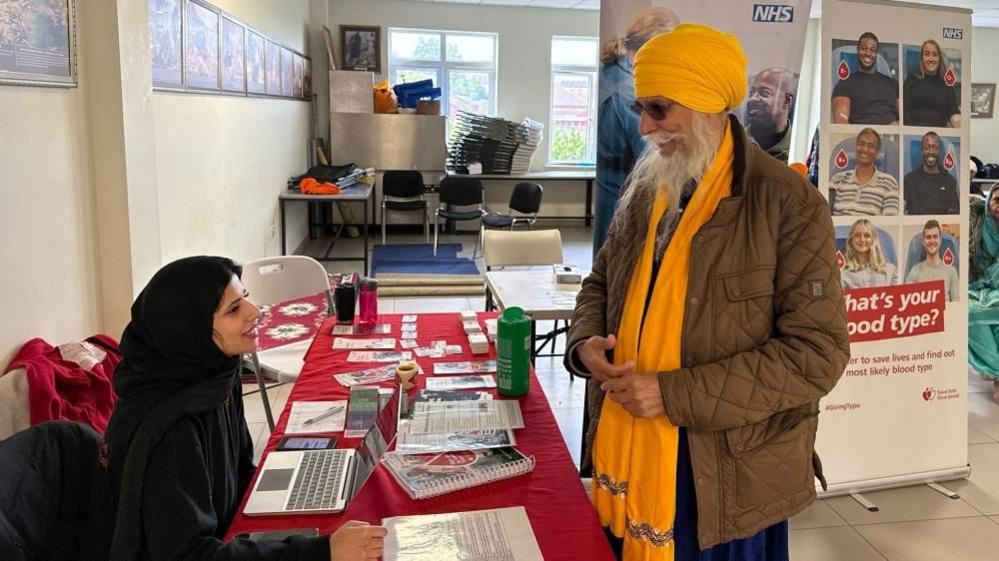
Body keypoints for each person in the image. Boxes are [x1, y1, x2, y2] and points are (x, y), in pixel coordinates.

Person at [564, 24, 850, 561]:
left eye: (659, 108)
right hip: (626, 449)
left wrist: (672, 394)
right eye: (641, 108)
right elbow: (602, 281)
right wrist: (585, 342)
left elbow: (817, 356)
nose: (646, 127)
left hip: (723, 479)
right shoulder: (649, 184)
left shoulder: (788, 203)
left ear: (704, 104)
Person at [88, 256, 386, 561]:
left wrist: (300, 490)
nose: (254, 313)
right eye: (233, 309)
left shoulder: (214, 374)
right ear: (189, 329)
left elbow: (242, 474)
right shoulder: (171, 430)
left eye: (245, 298)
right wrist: (320, 552)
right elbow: (192, 555)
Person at [594, 7, 679, 255]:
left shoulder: (611, 72)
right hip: (626, 199)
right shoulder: (631, 90)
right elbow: (653, 157)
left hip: (611, 193)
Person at [968, 189, 999, 400]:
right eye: (997, 200)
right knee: (968, 314)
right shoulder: (976, 220)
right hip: (977, 285)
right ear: (989, 201)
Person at [832, 32, 899, 124]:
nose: (868, 53)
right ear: (857, 50)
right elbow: (841, 120)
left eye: (872, 50)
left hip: (890, 136)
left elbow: (905, 119)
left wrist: (898, 127)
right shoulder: (846, 83)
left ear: (876, 53)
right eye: (864, 48)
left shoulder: (893, 83)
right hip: (860, 135)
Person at [829, 128, 899, 215]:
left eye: (870, 146)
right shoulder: (837, 179)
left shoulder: (889, 183)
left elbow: (890, 221)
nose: (865, 149)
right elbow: (824, 214)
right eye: (861, 144)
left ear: (877, 152)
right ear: (855, 147)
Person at [903, 39, 960, 127]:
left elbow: (953, 113)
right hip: (914, 129)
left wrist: (960, 127)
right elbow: (904, 111)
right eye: (926, 54)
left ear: (939, 59)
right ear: (921, 58)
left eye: (935, 55)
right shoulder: (911, 80)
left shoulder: (946, 84)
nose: (931, 59)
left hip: (938, 131)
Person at [745, 68, 797, 162]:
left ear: (787, 101)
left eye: (764, 93)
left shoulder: (799, 150)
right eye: (751, 93)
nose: (752, 99)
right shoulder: (732, 141)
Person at [904, 132, 959, 215]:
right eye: (927, 148)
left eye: (935, 148)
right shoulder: (909, 179)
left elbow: (954, 214)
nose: (931, 152)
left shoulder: (950, 181)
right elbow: (902, 206)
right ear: (922, 151)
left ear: (940, 151)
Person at [905, 220, 960, 302]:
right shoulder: (914, 271)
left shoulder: (951, 271)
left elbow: (957, 305)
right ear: (923, 242)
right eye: (928, 237)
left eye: (935, 237)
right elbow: (907, 305)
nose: (932, 241)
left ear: (940, 240)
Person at [841, 219, 898, 289]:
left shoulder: (891, 271)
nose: (862, 239)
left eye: (867, 235)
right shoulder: (842, 274)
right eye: (857, 235)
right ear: (851, 241)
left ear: (874, 240)